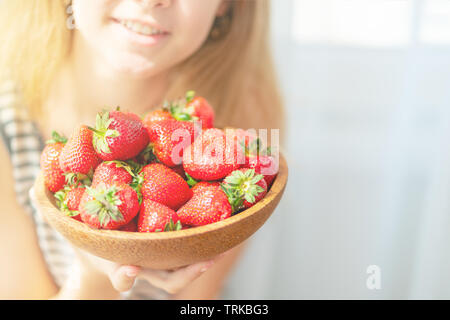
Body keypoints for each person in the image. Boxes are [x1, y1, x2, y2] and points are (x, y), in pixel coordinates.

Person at [0, 0, 284, 299]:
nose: (150, 1)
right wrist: (96, 273)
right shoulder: (8, 126)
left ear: (226, 4)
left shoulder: (241, 118)